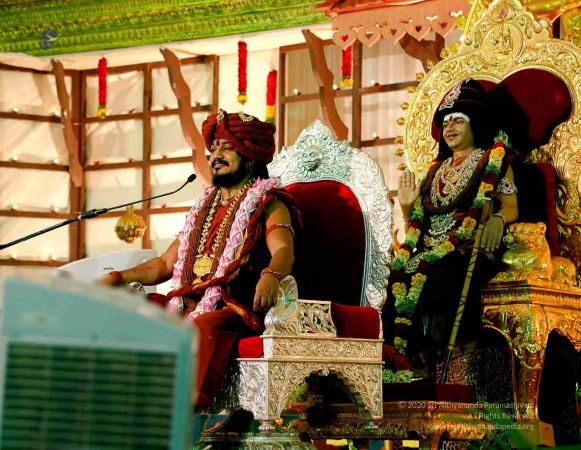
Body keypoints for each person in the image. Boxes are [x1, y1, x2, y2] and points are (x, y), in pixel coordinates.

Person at [102, 109, 299, 409]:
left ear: (249, 157)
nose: (215, 156)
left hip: (234, 308)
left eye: (227, 148)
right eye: (214, 148)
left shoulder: (268, 202)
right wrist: (119, 277)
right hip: (187, 305)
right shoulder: (204, 208)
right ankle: (118, 397)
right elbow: (164, 265)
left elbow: (283, 250)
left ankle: (185, 409)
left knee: (206, 325)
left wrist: (271, 275)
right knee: (140, 310)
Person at [384, 79, 519, 380]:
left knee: (440, 281)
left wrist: (497, 219)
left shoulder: (493, 160)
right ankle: (398, 363)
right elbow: (417, 225)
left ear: (475, 125)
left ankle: (437, 367)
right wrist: (406, 208)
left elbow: (511, 207)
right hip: (429, 251)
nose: (450, 128)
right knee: (393, 280)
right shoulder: (435, 170)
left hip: (467, 249)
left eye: (458, 120)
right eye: (445, 123)